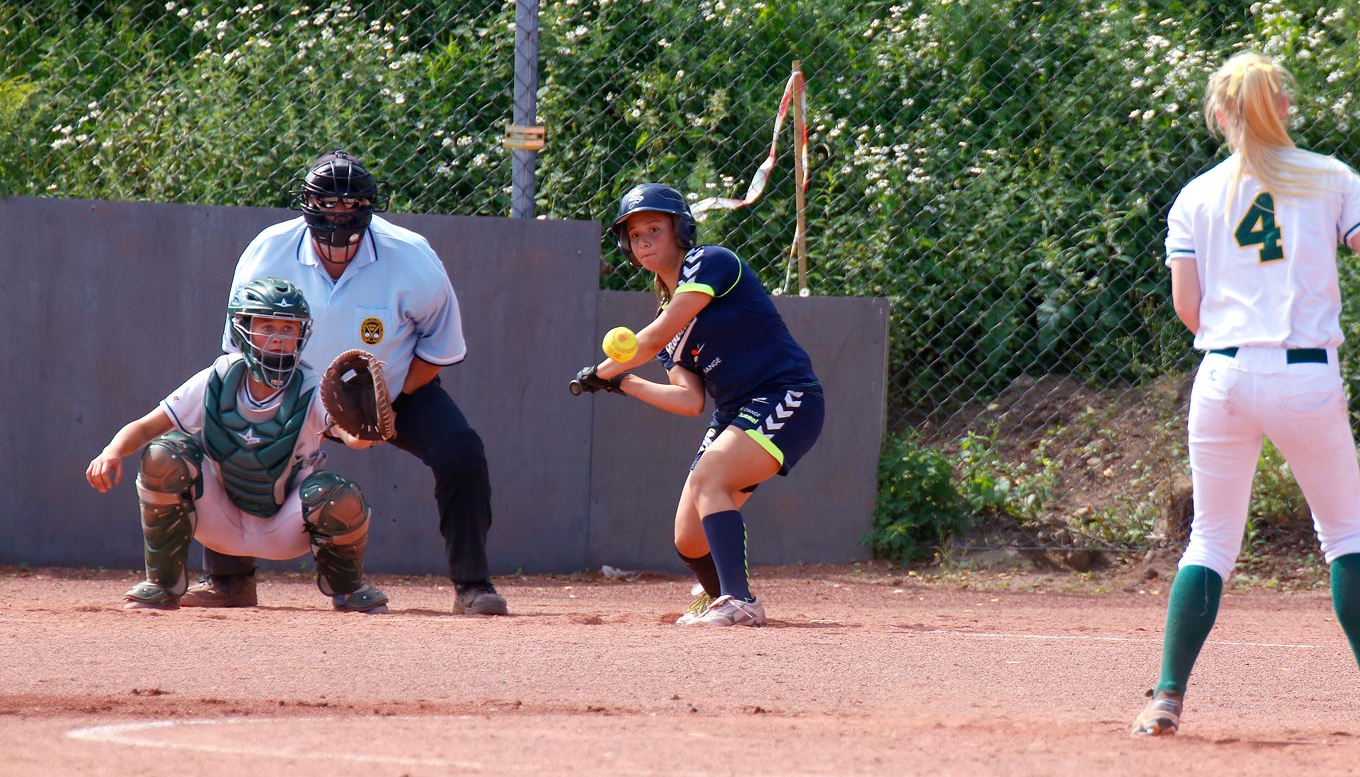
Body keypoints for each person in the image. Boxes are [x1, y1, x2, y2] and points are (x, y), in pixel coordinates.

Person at [1131, 51, 1360, 737]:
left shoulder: (1197, 195)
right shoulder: (1329, 178)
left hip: (1224, 374)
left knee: (1210, 540)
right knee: (1345, 534)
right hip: (1305, 375)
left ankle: (1166, 697)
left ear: (1220, 116)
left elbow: (1190, 306)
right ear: (1286, 110)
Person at [184, 149, 508, 616]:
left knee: (462, 452)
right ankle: (230, 580)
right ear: (306, 206)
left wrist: (387, 407)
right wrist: (266, 409)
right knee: (229, 434)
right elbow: (240, 348)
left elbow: (437, 350)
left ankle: (473, 585)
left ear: (370, 209)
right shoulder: (268, 251)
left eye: (350, 207)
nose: (339, 216)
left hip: (391, 389)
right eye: (327, 206)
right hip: (287, 386)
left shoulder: (411, 257)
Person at [571, 183, 824, 627]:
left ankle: (738, 601)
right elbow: (689, 401)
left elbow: (651, 337)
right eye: (634, 235)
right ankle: (716, 598)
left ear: (681, 231)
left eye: (654, 228)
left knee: (710, 476)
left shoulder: (712, 262)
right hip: (735, 414)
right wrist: (624, 383)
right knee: (688, 539)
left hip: (787, 395)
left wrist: (601, 369)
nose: (644, 240)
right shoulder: (669, 323)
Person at [86, 277, 389, 613]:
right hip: (219, 517)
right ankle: (162, 584)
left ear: (302, 335)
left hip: (284, 527)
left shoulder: (310, 387)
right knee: (164, 454)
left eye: (288, 329)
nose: (278, 338)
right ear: (243, 329)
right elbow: (146, 427)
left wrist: (366, 428)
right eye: (267, 326)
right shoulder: (217, 378)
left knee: (338, 496)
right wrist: (111, 451)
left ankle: (348, 590)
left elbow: (353, 440)